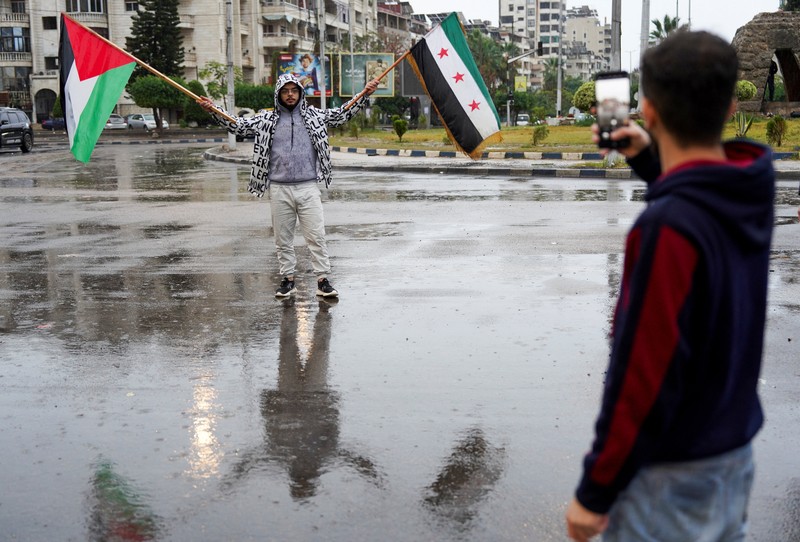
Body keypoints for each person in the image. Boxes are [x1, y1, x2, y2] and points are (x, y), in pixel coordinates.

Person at [566, 30, 775, 542]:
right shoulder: (752, 183)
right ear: (730, 108)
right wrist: (647, 156)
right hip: (732, 454)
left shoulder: (664, 227)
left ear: (648, 111)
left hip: (671, 473)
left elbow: (643, 372)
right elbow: (699, 191)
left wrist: (594, 491)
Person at [198, 74, 379, 298]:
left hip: (308, 186)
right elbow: (239, 126)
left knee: (316, 235)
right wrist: (213, 109)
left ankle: (322, 280)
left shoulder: (314, 116)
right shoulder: (267, 119)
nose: (290, 94)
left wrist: (364, 95)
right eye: (285, 91)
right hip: (279, 188)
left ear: (301, 93)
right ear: (278, 94)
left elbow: (341, 114)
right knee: (282, 238)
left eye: (294, 90)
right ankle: (288, 279)